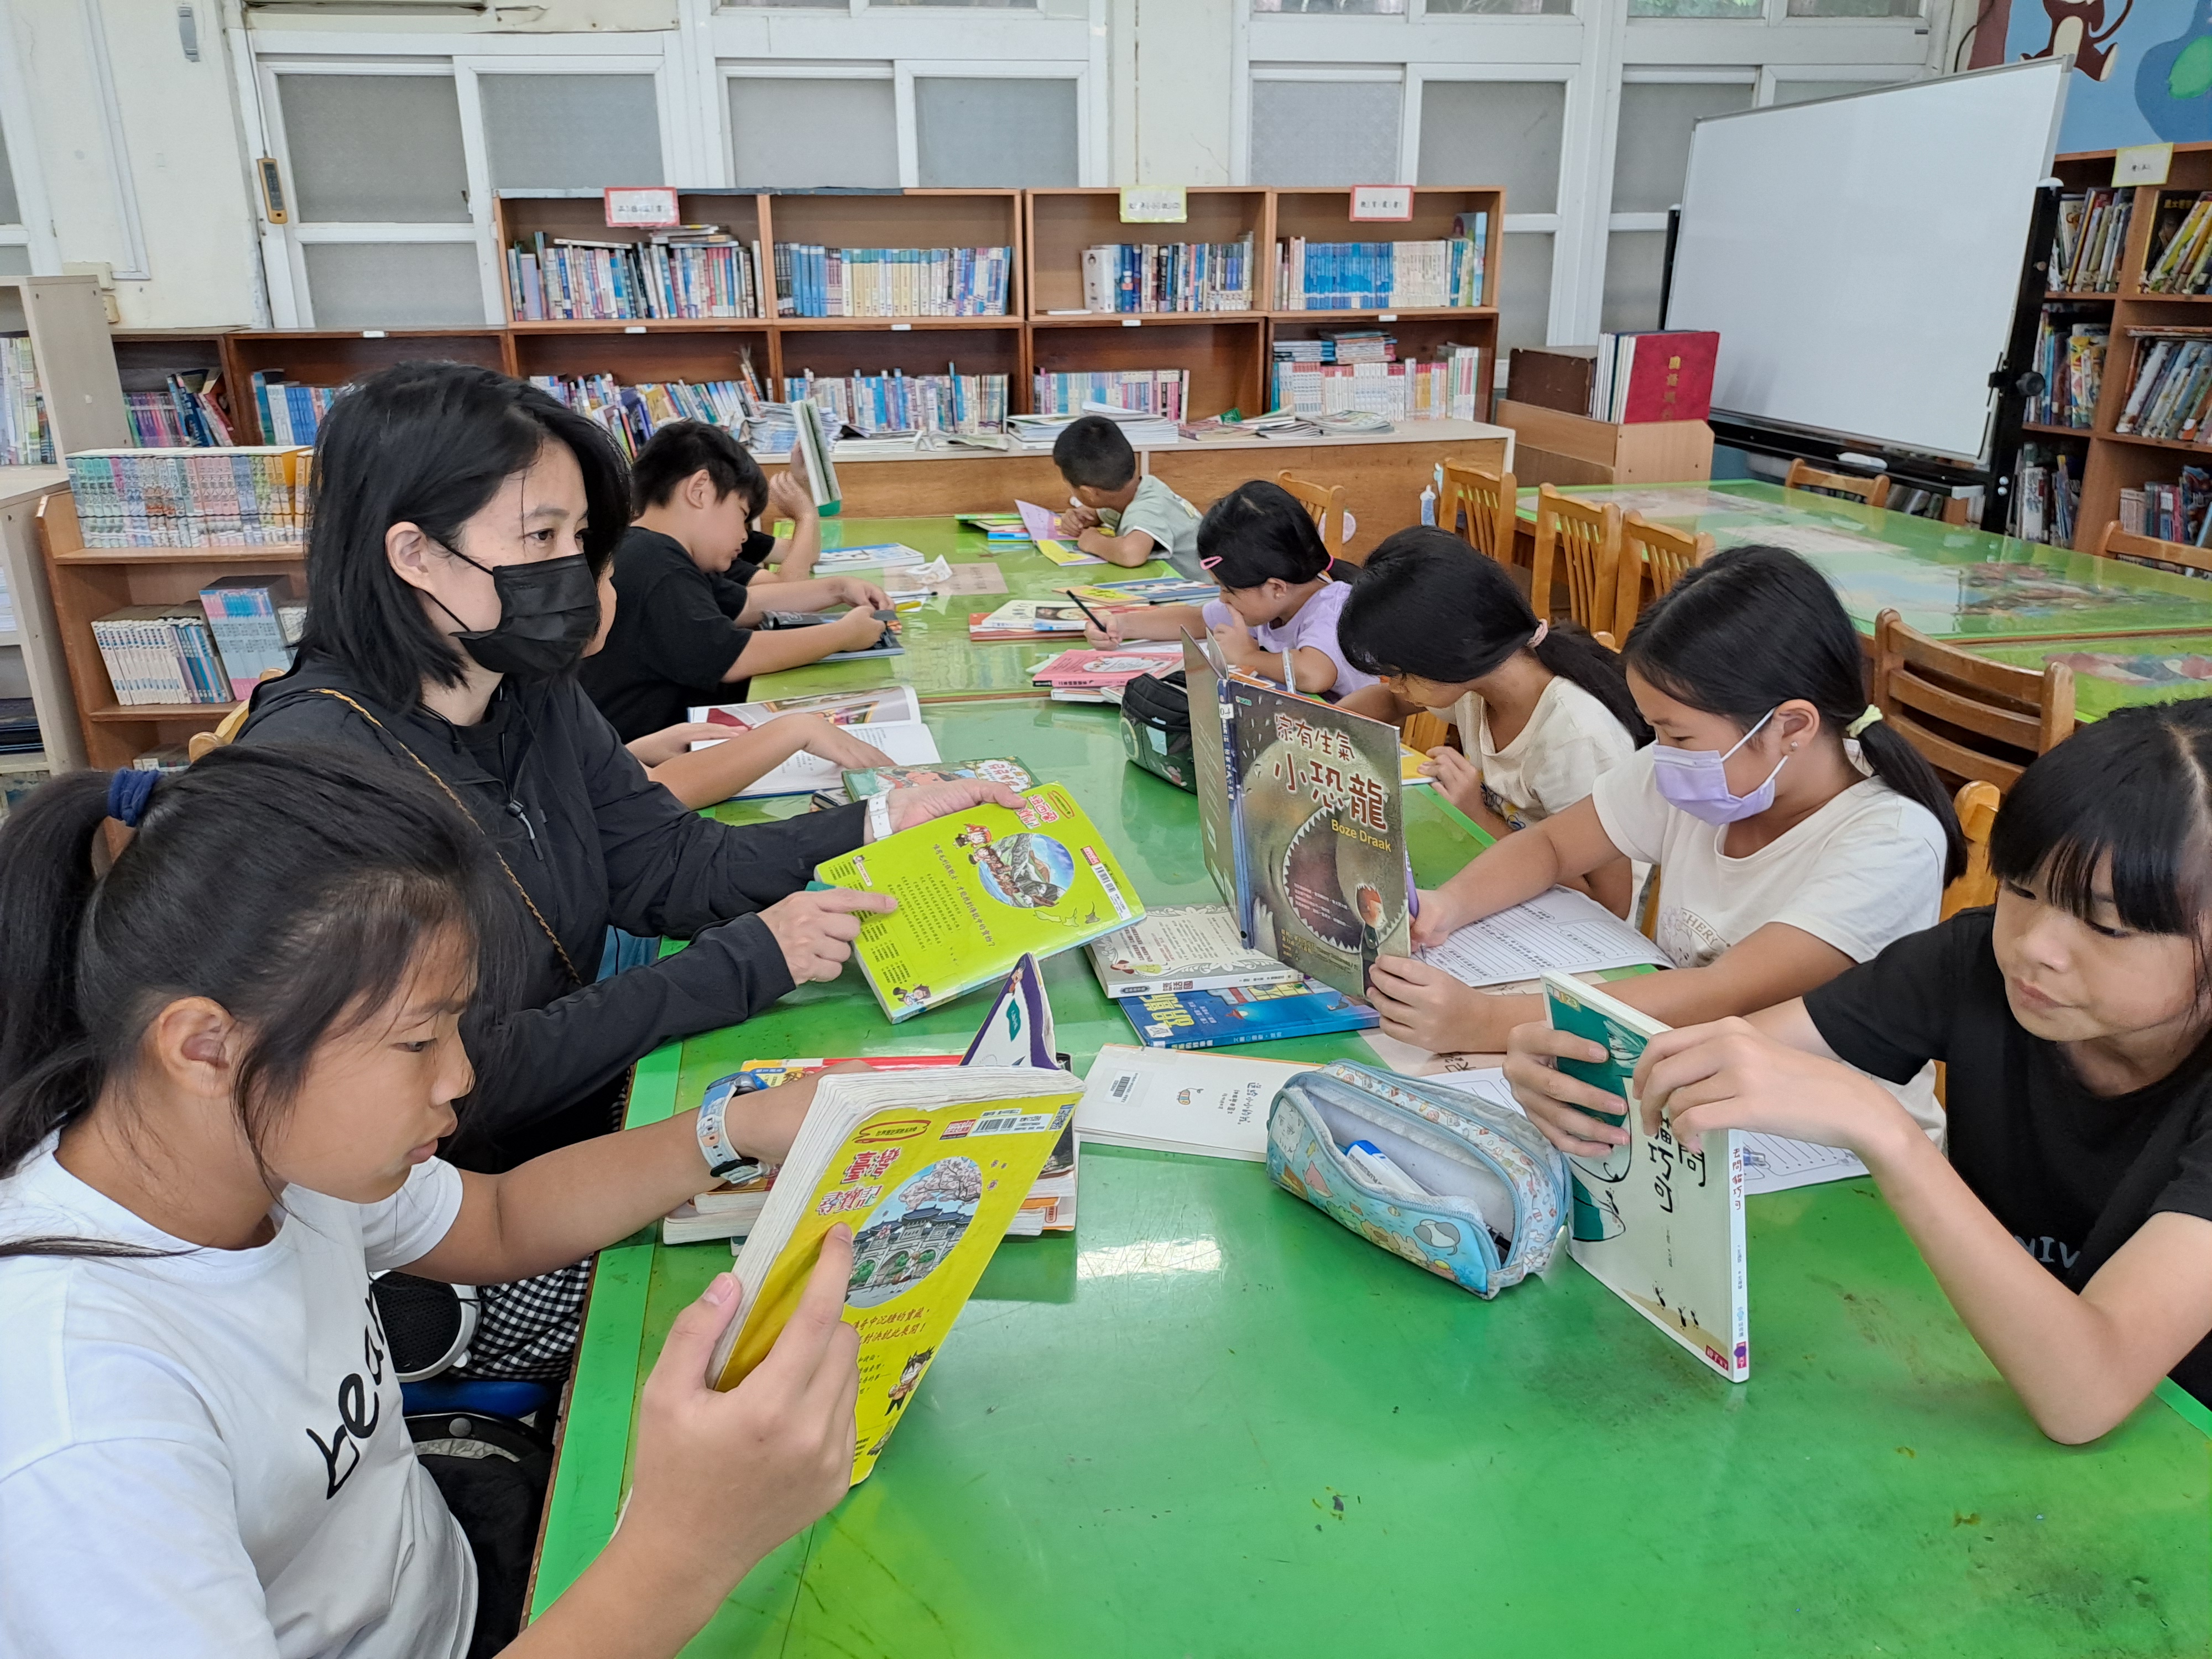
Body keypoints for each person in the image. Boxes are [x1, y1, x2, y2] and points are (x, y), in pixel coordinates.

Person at [236, 363, 1015, 1374]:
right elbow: (464, 1077)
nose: (573, 570)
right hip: (454, 1219)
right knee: (815, 1325)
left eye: (579, 537)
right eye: (542, 538)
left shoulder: (524, 686)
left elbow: (668, 865)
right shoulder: (321, 778)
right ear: (416, 553)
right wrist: (745, 962)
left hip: (586, 1126)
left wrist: (880, 819)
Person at [0, 748, 865, 1658]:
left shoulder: (260, 1152)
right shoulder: (81, 1419)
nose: (460, 1076)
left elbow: (499, 1219)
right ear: (206, 1047)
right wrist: (688, 1549)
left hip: (456, 1566)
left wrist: (737, 1128)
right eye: (419, 1041)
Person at [1505, 702, 2212, 1442]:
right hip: (1984, 1365)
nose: (2036, 946)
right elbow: (1718, 1059)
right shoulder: (1975, 966)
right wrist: (1576, 1067)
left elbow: (2085, 1397)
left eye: (2105, 926)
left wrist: (1885, 1130)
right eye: (2022, 889)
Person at [1368, 546, 1965, 1103]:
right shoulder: (1705, 770)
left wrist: (1484, 1021)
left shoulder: (1891, 842)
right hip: (1689, 1077)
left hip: (1827, 1130)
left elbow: (1722, 992)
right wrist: (1447, 906)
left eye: (1677, 735)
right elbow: (1551, 845)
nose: (1661, 752)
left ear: (1791, 727)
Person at [1334, 528, 1648, 915]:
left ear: (1450, 654)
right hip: (1501, 884)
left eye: (1399, 673)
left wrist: (1477, 814)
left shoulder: (1575, 737)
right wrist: (1314, 731)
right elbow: (1388, 703)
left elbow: (1610, 902)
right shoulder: (1479, 683)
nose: (1394, 686)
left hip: (1567, 921)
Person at [582, 420, 895, 742]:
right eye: (742, 514)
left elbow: (750, 604)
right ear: (700, 491)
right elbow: (735, 657)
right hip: (646, 755)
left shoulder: (657, 554)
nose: (745, 536)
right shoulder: (656, 565)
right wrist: (843, 634)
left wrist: (838, 588)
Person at [582, 559, 895, 811]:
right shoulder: (656, 566)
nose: (617, 594)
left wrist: (634, 752)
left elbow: (594, 780)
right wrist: (796, 730)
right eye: (610, 580)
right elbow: (655, 792)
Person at [1078, 480, 1374, 699]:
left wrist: (1247, 656)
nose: (1223, 599)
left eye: (1228, 591)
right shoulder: (1269, 601)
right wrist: (1122, 624)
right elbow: (1197, 619)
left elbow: (1315, 674)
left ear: (1276, 587)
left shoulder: (1331, 607)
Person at [1049, 413, 1201, 573]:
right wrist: (1086, 515)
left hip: (1200, 587)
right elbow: (1111, 513)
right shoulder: (1143, 487)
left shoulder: (1146, 509)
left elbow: (1131, 554)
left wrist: (1093, 542)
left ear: (1090, 493)